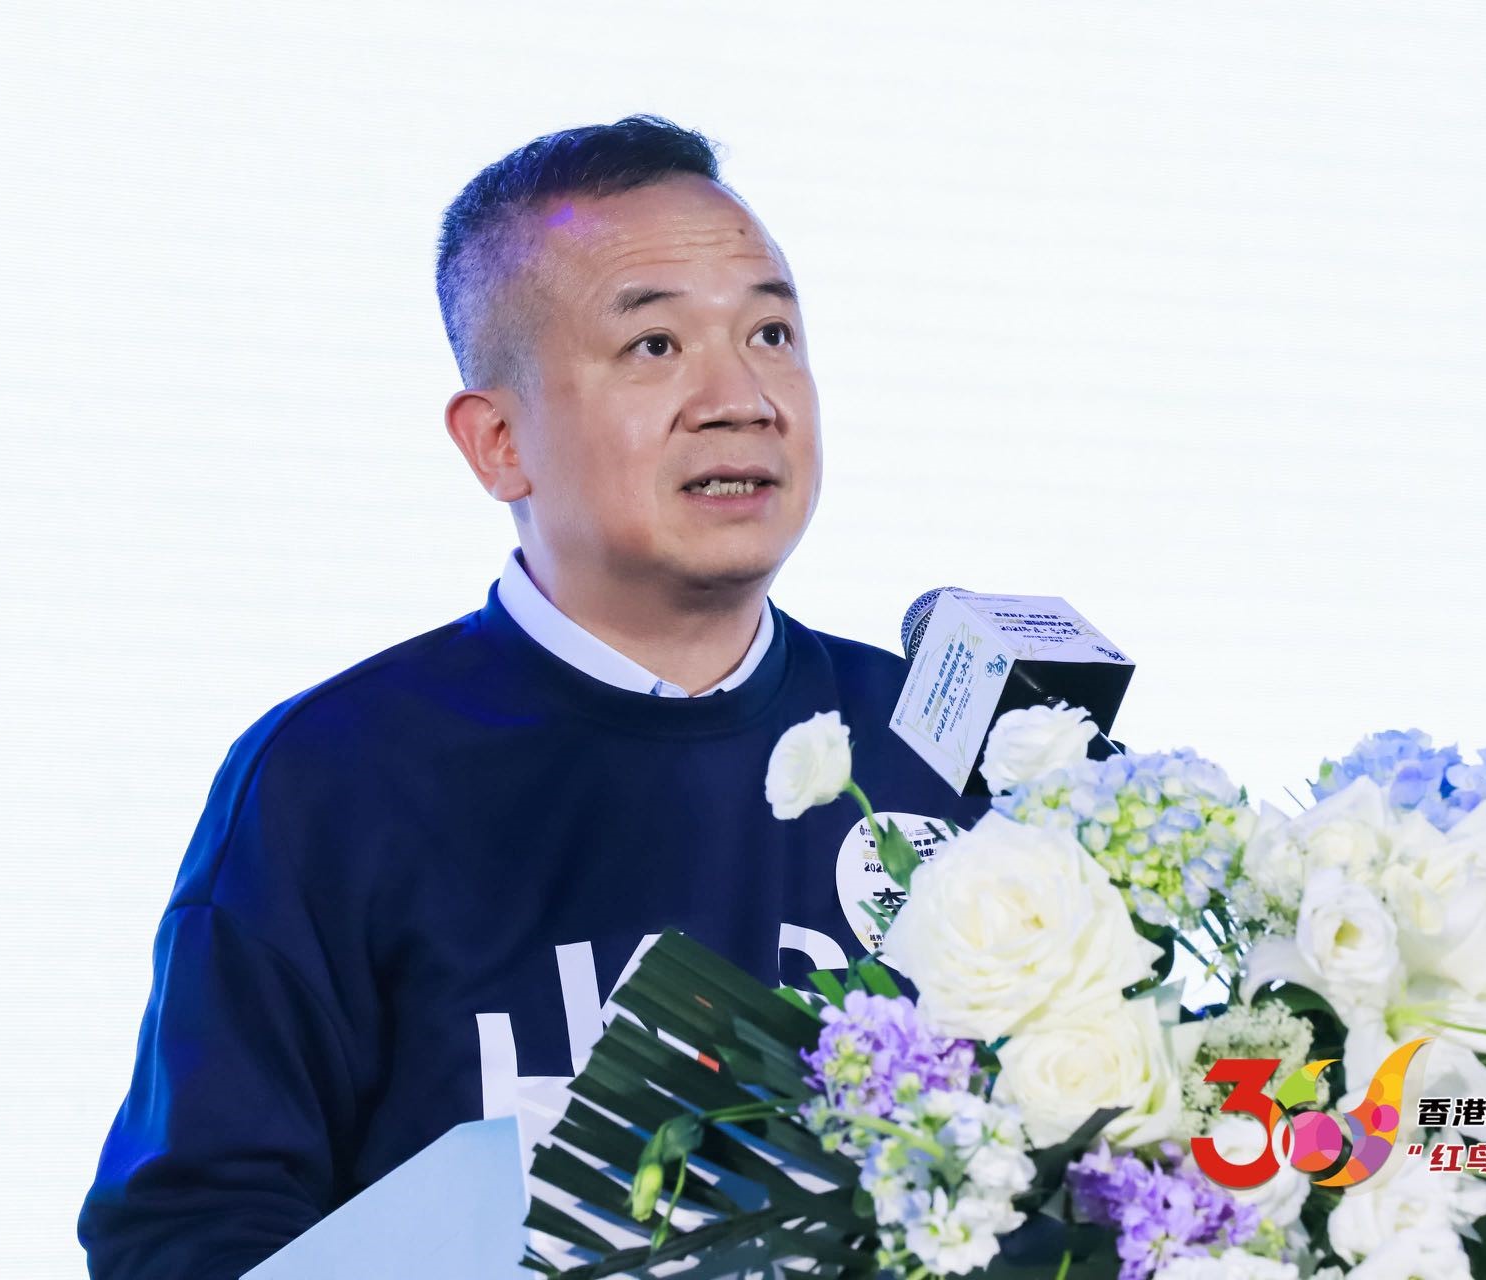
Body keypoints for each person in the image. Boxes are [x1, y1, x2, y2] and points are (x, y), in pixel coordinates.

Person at [77, 115, 988, 1278]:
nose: (743, 397)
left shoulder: (946, 747)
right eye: (654, 344)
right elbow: (189, 1232)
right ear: (498, 441)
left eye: (771, 332)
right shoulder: (336, 776)